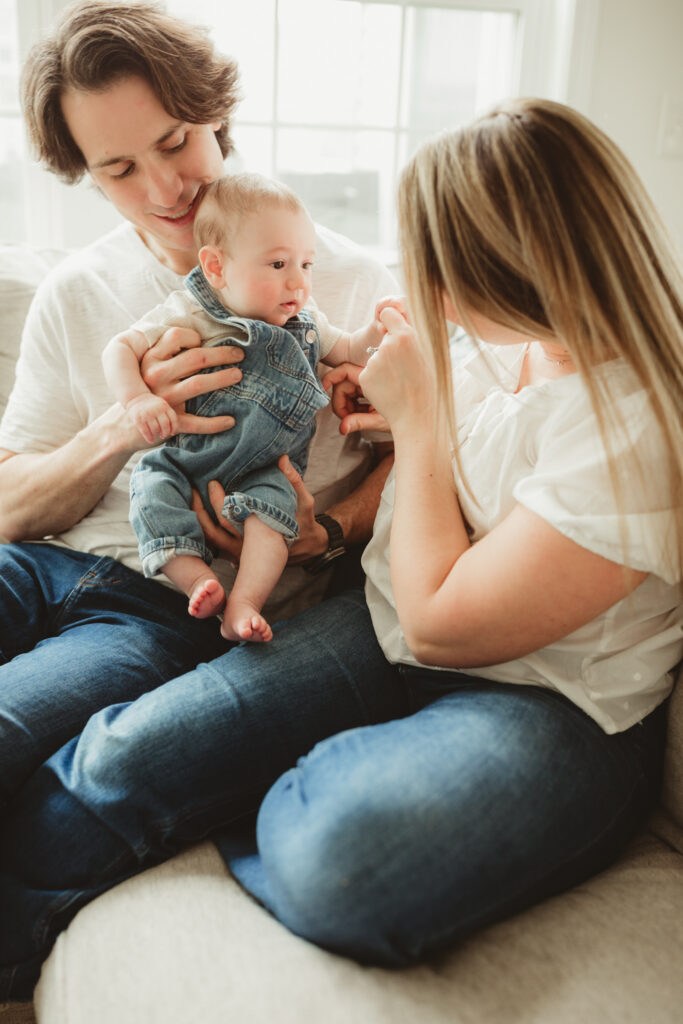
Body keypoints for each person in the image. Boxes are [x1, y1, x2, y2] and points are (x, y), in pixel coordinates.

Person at [2, 97, 682, 1002]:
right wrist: (335, 515)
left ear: (508, 266)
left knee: (350, 863)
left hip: (544, 699)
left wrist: (421, 425)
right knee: (115, 760)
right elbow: (405, 508)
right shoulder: (481, 346)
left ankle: (311, 785)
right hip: (374, 626)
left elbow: (443, 624)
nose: (426, 288)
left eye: (439, 262)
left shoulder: (638, 424)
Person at [0, 0, 396, 813]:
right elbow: (10, 506)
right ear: (87, 174)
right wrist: (124, 420)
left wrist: (332, 532)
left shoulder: (337, 283)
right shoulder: (78, 291)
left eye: (175, 141)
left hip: (163, 608)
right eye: (118, 170)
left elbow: (425, 460)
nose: (163, 188)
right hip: (41, 565)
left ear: (216, 116)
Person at [103, 173, 387, 642]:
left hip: (265, 468)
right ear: (216, 267)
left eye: (306, 264)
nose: (298, 281)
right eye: (278, 264)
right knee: (150, 494)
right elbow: (119, 348)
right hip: (186, 458)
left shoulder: (308, 321)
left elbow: (350, 349)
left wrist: (374, 333)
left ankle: (244, 604)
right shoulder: (189, 312)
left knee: (274, 521)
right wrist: (137, 399)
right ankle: (198, 581)